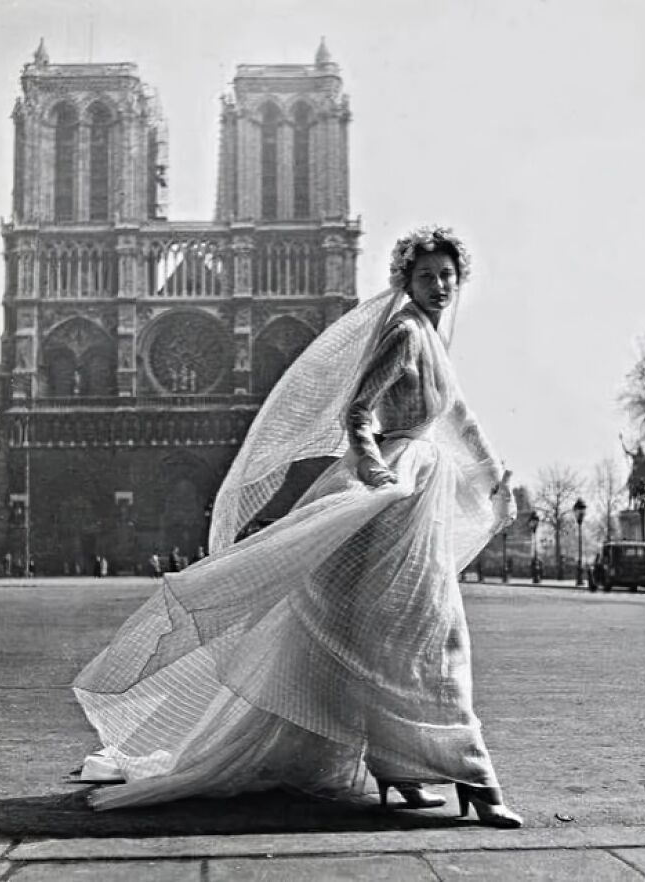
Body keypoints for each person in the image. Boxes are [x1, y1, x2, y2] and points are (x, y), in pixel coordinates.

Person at [73, 226, 521, 827]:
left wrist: (497, 479)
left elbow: (458, 418)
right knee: (430, 629)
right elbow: (359, 410)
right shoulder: (406, 330)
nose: (439, 286)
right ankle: (475, 779)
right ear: (405, 282)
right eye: (426, 277)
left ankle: (401, 769)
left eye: (446, 276)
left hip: (419, 488)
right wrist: (371, 462)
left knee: (389, 632)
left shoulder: (434, 340)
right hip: (395, 489)